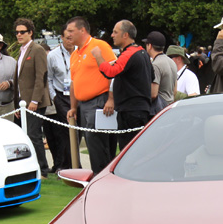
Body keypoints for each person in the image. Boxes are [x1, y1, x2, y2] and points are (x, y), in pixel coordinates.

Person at [91, 20, 153, 150]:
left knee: (129, 150)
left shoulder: (129, 54)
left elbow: (110, 72)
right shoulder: (142, 53)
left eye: (115, 32)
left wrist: (98, 56)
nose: (112, 35)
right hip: (140, 109)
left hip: (131, 111)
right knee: (138, 148)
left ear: (125, 35)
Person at [66, 16, 117, 173]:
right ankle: (100, 176)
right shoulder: (75, 54)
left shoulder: (99, 46)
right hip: (84, 105)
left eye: (71, 31)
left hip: (100, 101)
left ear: (82, 31)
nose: (67, 34)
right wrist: (73, 107)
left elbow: (114, 72)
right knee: (92, 142)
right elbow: (74, 82)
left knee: (98, 143)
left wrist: (111, 99)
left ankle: (102, 177)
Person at [14, 18, 51, 177]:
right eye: (17, 32)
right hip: (23, 103)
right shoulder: (21, 51)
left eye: (22, 32)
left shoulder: (37, 49)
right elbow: (19, 80)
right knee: (26, 136)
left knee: (34, 135)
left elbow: (41, 76)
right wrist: (17, 105)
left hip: (35, 102)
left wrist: (35, 100)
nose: (19, 35)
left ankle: (43, 170)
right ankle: (31, 168)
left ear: (30, 33)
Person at [45, 28, 74, 171]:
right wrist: (54, 97)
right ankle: (65, 166)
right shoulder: (53, 55)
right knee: (64, 132)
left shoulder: (80, 53)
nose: (70, 40)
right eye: (67, 38)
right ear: (61, 37)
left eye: (72, 37)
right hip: (61, 96)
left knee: (77, 131)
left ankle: (74, 164)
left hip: (78, 95)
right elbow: (49, 78)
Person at [143, 30, 176, 112]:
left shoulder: (156, 65)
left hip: (160, 110)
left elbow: (153, 94)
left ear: (149, 46)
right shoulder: (171, 62)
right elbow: (174, 90)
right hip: (170, 106)